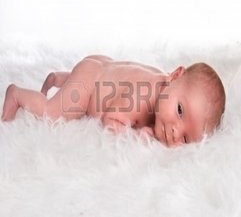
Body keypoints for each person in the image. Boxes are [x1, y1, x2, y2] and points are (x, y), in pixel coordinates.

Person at [1, 55, 225, 147]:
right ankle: (17, 94)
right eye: (179, 110)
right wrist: (138, 135)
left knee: (93, 86)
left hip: (100, 67)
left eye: (186, 139)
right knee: (54, 113)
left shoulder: (164, 82)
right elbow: (110, 120)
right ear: (175, 75)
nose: (175, 131)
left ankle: (63, 79)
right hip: (89, 84)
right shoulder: (143, 98)